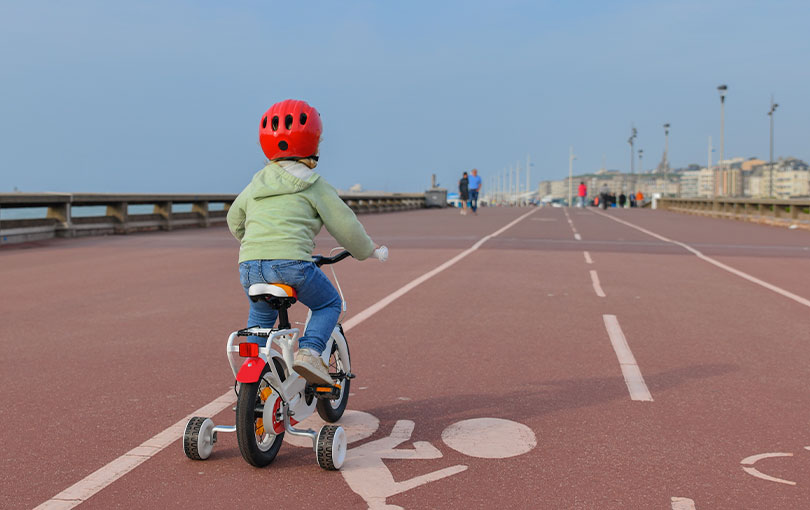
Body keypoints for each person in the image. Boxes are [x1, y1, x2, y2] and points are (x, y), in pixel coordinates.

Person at [226, 99, 378, 386]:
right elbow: (345, 226)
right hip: (292, 266)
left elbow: (235, 219)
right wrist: (366, 250)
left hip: (249, 268)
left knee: (260, 320)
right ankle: (309, 353)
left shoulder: (256, 183)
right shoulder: (314, 184)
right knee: (328, 304)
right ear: (313, 143)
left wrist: (256, 245)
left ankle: (254, 371)